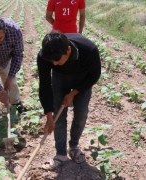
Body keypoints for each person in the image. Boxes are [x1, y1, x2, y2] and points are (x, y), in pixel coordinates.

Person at [37, 31, 101, 168]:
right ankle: (60, 154)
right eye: (51, 61)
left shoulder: (89, 50)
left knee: (81, 113)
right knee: (58, 116)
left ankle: (74, 146)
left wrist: (74, 93)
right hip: (59, 78)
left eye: (58, 59)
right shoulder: (44, 56)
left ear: (68, 50)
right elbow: (44, 85)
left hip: (83, 78)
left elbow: (95, 75)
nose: (54, 63)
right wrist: (49, 115)